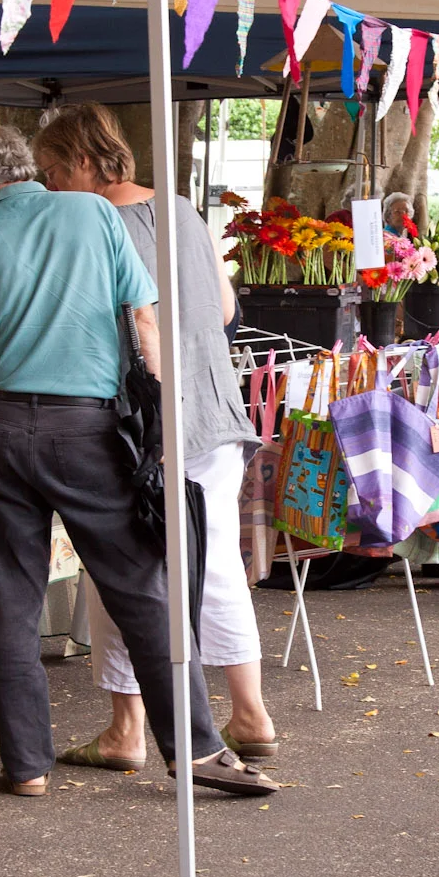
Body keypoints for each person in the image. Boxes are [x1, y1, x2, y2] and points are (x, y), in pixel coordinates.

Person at [0, 120, 273, 799]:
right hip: (87, 429)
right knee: (140, 585)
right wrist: (163, 421)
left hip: (0, 432)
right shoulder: (92, 212)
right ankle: (196, 747)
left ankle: (26, 764)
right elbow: (144, 321)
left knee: (9, 602)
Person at [30, 105, 279, 770]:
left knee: (124, 569)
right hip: (216, 409)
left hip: (143, 420)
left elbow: (99, 323)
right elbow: (227, 310)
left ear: (84, 160)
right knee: (217, 554)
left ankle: (126, 727)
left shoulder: (95, 223)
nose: (50, 187)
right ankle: (250, 709)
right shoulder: (183, 210)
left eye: (53, 172)